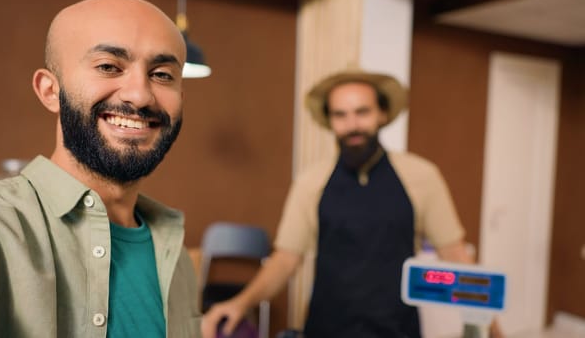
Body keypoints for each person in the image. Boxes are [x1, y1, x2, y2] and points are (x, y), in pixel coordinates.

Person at [0, 0, 201, 338]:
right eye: (109, 66)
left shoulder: (176, 256)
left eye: (162, 75)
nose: (140, 95)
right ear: (50, 91)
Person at [202, 70, 501, 338]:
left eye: (362, 112)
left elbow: (454, 253)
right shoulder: (311, 182)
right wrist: (241, 303)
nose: (352, 125)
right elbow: (285, 260)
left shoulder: (422, 176)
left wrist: (491, 326)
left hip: (398, 330)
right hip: (326, 328)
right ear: (330, 121)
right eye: (341, 115)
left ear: (382, 114)